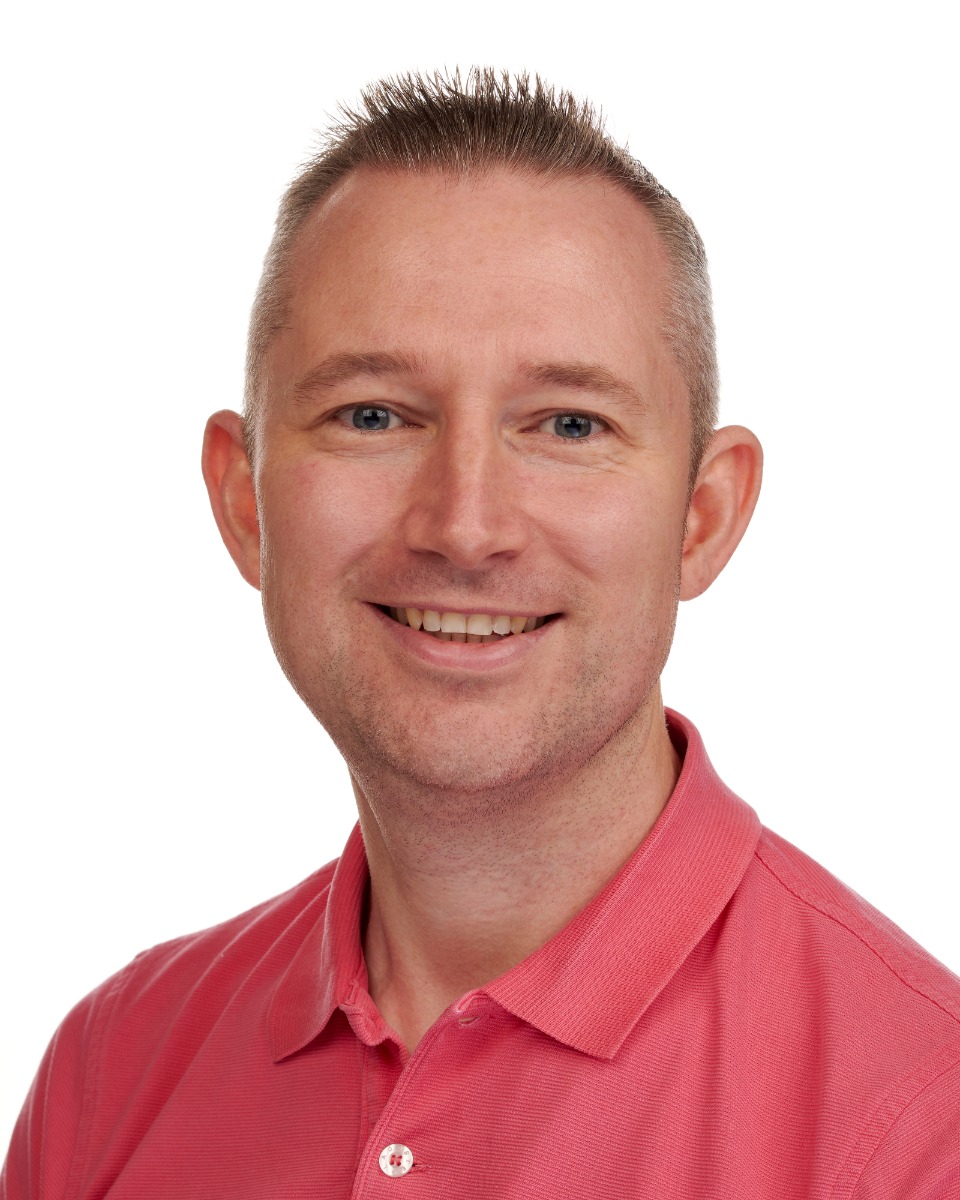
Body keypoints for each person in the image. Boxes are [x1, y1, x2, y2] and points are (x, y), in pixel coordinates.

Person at [3, 68, 959, 1200]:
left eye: (569, 425)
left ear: (703, 518)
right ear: (245, 501)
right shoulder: (110, 1074)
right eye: (372, 415)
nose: (464, 525)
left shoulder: (922, 1127)